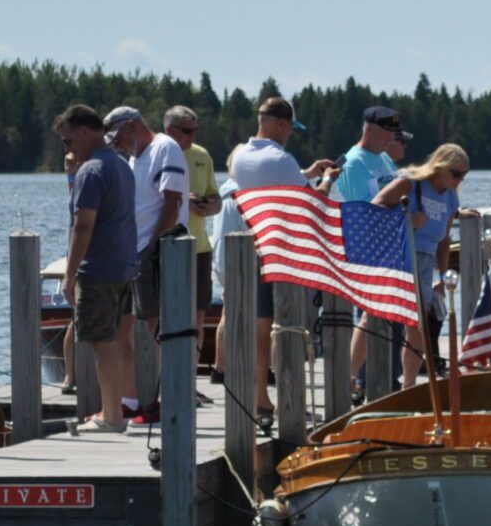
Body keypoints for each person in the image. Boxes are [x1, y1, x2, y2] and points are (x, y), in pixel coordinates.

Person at [223, 95, 329, 422]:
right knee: (288, 327)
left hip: (251, 248)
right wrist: (325, 180)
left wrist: (305, 172)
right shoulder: (281, 158)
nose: (290, 136)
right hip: (281, 253)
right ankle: (290, 399)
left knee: (260, 326)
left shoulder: (241, 155)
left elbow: (273, 179)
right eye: (290, 130)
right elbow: (311, 202)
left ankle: (260, 397)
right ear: (281, 124)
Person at [373, 143, 481, 384]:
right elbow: (374, 207)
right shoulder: (411, 183)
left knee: (418, 326)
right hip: (400, 255)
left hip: (426, 263)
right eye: (456, 173)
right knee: (384, 320)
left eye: (464, 174)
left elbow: (444, 241)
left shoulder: (451, 198)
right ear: (440, 168)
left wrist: (441, 278)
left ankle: (408, 384)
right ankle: (353, 377)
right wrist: (406, 219)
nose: (459, 179)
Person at [58, 106, 138, 431]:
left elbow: (83, 225)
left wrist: (69, 273)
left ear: (84, 131)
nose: (68, 148)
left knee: (101, 343)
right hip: (123, 267)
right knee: (117, 341)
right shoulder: (122, 166)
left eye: (68, 140)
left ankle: (111, 416)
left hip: (98, 269)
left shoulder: (90, 172)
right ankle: (114, 410)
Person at [107, 106, 187, 425]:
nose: (118, 144)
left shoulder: (163, 147)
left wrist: (154, 248)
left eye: (119, 137)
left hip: (155, 252)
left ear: (133, 126)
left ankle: (155, 403)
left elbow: (172, 201)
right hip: (135, 251)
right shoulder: (134, 158)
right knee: (134, 326)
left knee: (153, 328)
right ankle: (134, 400)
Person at [333, 106, 411, 390]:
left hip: (389, 245)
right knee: (370, 312)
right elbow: (363, 208)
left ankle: (378, 378)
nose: (392, 140)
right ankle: (350, 376)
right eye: (388, 133)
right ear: (370, 130)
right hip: (366, 245)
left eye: (394, 134)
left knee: (385, 314)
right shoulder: (354, 163)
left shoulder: (384, 159)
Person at [165, 107, 221, 307]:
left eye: (195, 130)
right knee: (168, 309)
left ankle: (196, 341)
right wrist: (181, 201)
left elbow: (216, 197)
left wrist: (210, 205)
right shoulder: (156, 153)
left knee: (198, 311)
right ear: (170, 130)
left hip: (200, 247)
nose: (193, 135)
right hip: (166, 248)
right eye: (188, 131)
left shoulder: (202, 155)